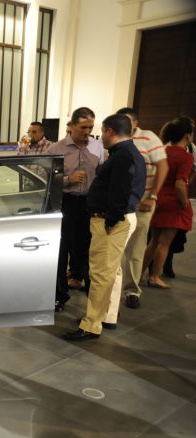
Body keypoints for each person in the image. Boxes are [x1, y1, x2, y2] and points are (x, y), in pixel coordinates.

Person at [64, 114, 145, 341]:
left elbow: (121, 192)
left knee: (100, 274)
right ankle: (101, 318)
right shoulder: (128, 153)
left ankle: (91, 325)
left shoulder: (123, 156)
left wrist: (110, 220)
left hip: (112, 222)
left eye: (101, 131)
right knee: (107, 273)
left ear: (109, 131)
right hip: (114, 220)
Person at [47, 106, 105, 310]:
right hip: (65, 202)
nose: (87, 132)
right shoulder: (56, 149)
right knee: (61, 251)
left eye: (90, 127)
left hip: (89, 204)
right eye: (83, 127)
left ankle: (90, 296)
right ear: (71, 125)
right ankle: (59, 295)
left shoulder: (97, 147)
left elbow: (102, 176)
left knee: (86, 250)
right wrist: (67, 179)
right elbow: (45, 179)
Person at [116, 108, 169, 309]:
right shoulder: (117, 137)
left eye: (128, 121)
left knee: (135, 250)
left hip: (142, 204)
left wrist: (153, 196)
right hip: (120, 204)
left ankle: (132, 291)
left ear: (136, 123)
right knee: (117, 249)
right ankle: (115, 287)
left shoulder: (148, 138)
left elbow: (163, 166)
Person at [141, 117, 194, 289]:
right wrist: (185, 202)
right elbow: (180, 184)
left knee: (153, 241)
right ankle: (155, 277)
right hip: (173, 204)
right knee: (165, 243)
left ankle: (139, 274)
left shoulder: (163, 151)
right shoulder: (185, 157)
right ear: (187, 136)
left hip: (158, 200)